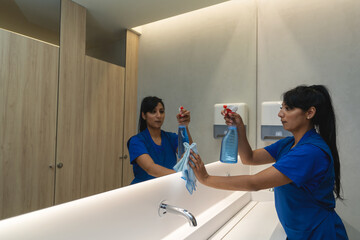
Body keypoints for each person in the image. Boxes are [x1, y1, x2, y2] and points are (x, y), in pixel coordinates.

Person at [189, 85, 348, 239]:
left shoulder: (309, 152)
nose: (280, 114)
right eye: (282, 107)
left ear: (310, 113)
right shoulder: (288, 144)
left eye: (288, 109)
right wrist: (239, 129)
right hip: (301, 232)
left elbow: (254, 183)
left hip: (319, 233)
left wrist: (206, 178)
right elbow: (249, 158)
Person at [127, 96, 192, 184]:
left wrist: (184, 126)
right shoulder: (136, 141)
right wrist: (180, 175)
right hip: (143, 191)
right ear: (143, 115)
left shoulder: (171, 137)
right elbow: (151, 168)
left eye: (161, 112)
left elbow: (189, 154)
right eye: (153, 112)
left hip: (168, 187)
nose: (159, 116)